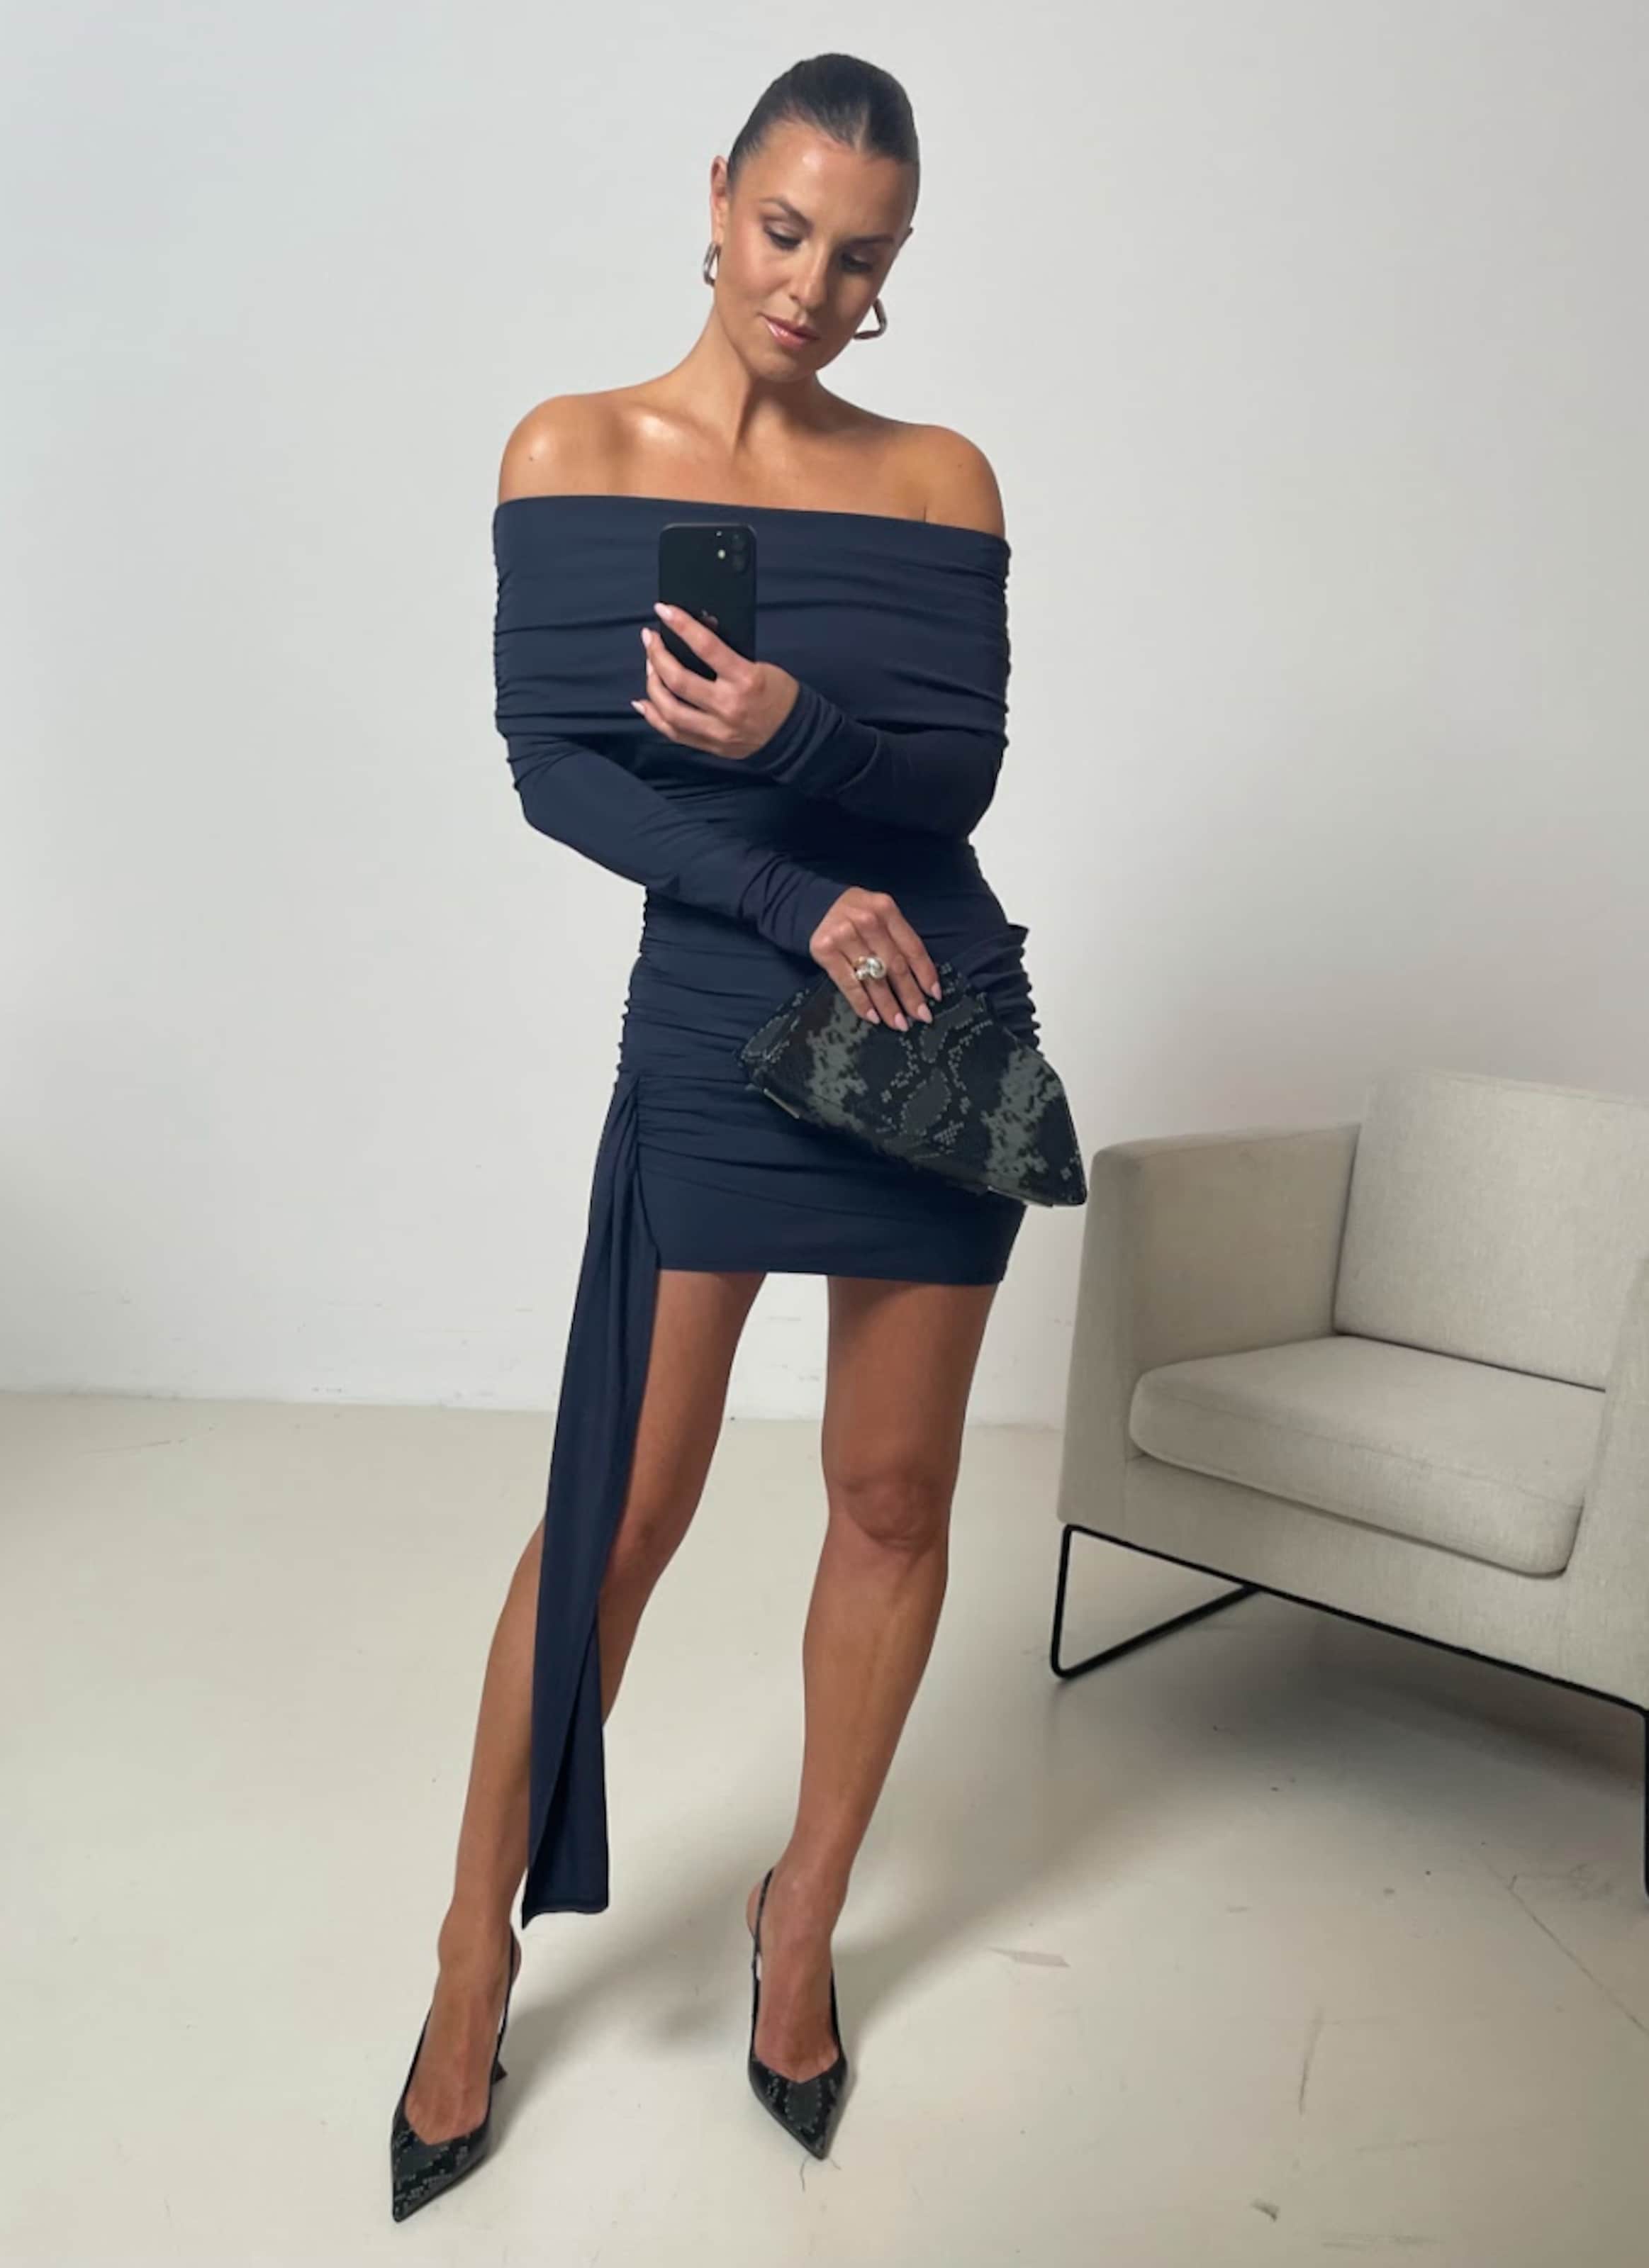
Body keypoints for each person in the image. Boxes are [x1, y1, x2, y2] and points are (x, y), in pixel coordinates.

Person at [391, 50, 1045, 2216]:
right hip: (725, 996)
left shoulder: (940, 478)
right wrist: (778, 881)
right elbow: (557, 766)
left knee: (891, 1495)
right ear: (717, 198)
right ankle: (471, 1956)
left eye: (860, 256)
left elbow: (951, 785)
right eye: (784, 229)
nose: (811, 285)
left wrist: (796, 726)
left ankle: (800, 1926)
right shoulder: (571, 451)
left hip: (929, 1008)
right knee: (623, 1512)